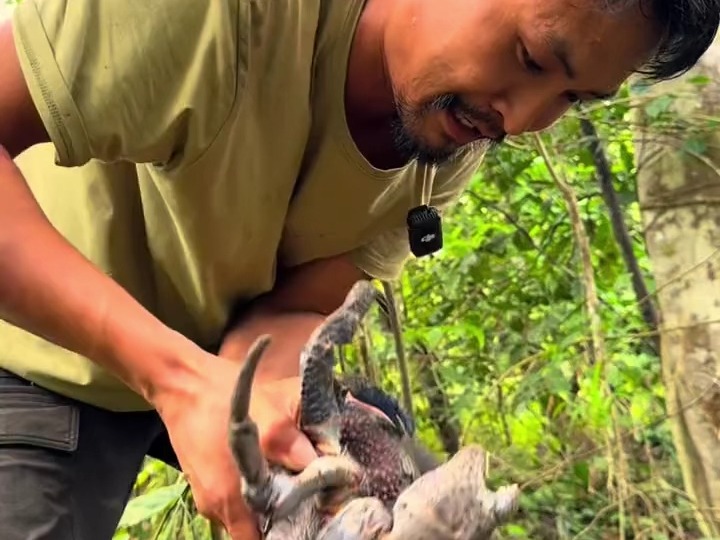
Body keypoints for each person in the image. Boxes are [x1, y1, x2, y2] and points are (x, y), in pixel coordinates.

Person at [0, 0, 717, 538]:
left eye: (571, 99)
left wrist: (289, 406)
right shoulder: (223, 14)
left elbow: (295, 305)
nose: (521, 120)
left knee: (397, 482)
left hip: (213, 357)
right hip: (40, 343)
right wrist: (180, 383)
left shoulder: (450, 128)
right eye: (531, 59)